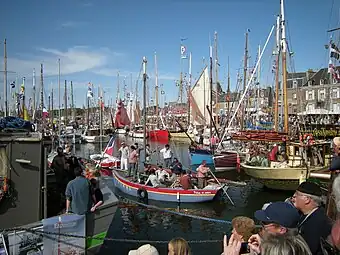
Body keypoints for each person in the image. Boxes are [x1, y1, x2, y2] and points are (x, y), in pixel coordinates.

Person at [292, 181, 332, 255]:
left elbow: (308, 250)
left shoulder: (317, 223)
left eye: (297, 194)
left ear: (307, 199)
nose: (293, 196)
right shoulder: (307, 214)